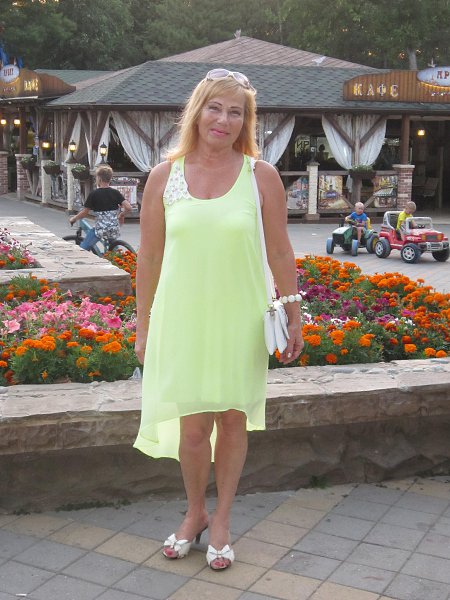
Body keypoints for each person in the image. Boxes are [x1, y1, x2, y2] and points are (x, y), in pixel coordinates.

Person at [133, 68, 304, 571]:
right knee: (192, 427)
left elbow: (280, 251)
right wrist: (143, 326)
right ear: (197, 111)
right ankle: (195, 513)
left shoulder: (260, 176)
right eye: (215, 108)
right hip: (182, 319)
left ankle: (223, 519)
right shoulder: (164, 177)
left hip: (239, 318)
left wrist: (294, 314)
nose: (223, 120)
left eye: (236, 112)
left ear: (245, 122)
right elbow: (148, 258)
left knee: (232, 420)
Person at [69, 165, 132, 250]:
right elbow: (128, 208)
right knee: (113, 249)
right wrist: (121, 215)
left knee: (83, 249)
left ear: (99, 178)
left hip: (101, 230)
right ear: (110, 178)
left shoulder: (94, 194)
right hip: (114, 229)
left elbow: (84, 212)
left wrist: (74, 218)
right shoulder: (115, 193)